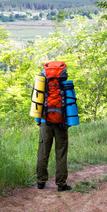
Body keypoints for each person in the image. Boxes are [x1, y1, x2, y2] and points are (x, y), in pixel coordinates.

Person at [35, 60, 72, 191]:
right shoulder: (65, 84)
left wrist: (38, 119)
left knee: (43, 152)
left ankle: (40, 182)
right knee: (61, 153)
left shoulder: (42, 84)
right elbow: (70, 103)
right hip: (61, 122)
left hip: (45, 120)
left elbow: (36, 101)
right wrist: (69, 121)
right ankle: (61, 184)